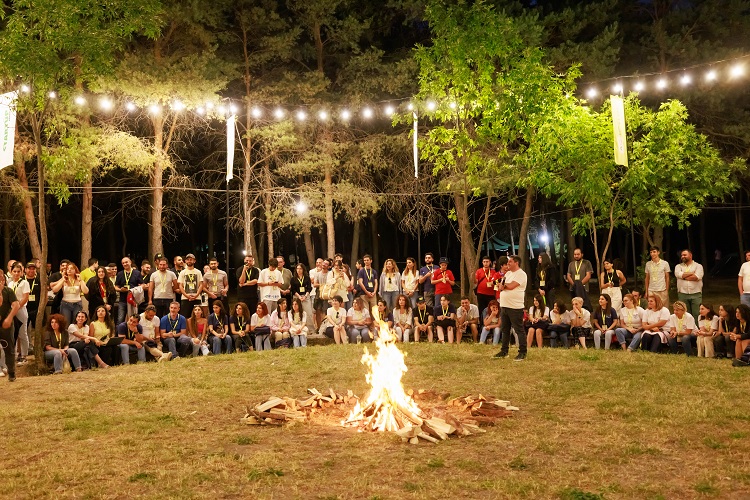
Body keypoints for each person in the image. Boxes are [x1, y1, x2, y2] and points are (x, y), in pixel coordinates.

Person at [494, 256, 528, 360]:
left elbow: (512, 286)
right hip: (504, 306)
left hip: (515, 307)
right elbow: (501, 284)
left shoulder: (521, 274)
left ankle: (522, 352)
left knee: (519, 330)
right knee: (505, 330)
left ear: (516, 263)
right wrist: (502, 285)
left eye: (510, 262)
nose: (508, 263)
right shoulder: (508, 273)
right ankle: (504, 351)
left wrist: (503, 285)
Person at [8, 263, 30, 366]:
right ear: (11, 272)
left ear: (21, 272)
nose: (16, 273)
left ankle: (24, 355)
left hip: (21, 309)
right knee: (13, 333)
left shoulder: (24, 283)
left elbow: (25, 297)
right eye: (14, 271)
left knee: (22, 333)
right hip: (11, 310)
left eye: (18, 271)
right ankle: (15, 354)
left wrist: (17, 307)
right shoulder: (10, 284)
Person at [0, 270, 20, 381]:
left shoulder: (8, 291)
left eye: (1, 278)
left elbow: (16, 305)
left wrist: (9, 318)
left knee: (8, 348)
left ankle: (11, 372)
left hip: (5, 324)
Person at [674, 249, 704, 320]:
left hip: (696, 293)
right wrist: (692, 273)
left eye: (685, 255)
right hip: (682, 293)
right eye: (682, 255)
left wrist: (683, 276)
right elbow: (678, 274)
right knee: (685, 314)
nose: (682, 256)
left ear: (690, 255)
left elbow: (697, 277)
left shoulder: (698, 266)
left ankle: (697, 327)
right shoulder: (678, 266)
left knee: (697, 313)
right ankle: (686, 327)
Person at [114, 257, 142, 324]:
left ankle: (133, 331)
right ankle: (119, 331)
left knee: (134, 319)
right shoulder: (120, 274)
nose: (125, 264)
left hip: (133, 300)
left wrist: (133, 290)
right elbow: (116, 287)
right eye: (123, 263)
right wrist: (120, 290)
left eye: (126, 262)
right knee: (120, 319)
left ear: (130, 262)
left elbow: (142, 285)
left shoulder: (137, 273)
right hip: (122, 300)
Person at [291, 263, 314, 333]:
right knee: (297, 312)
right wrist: (299, 297)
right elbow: (293, 289)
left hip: (306, 296)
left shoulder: (307, 278)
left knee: (309, 312)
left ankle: (311, 329)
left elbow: (309, 288)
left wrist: (305, 296)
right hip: (297, 296)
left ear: (303, 269)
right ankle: (298, 327)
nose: (299, 270)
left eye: (300, 269)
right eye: (297, 269)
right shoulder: (293, 279)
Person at [177, 254, 203, 318]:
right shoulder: (182, 272)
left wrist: (196, 295)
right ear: (185, 261)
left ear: (194, 261)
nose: (189, 261)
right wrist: (186, 295)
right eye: (188, 260)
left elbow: (201, 284)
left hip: (197, 297)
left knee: (197, 317)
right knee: (185, 317)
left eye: (191, 259)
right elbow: (180, 286)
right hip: (185, 298)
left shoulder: (198, 272)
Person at [475, 256, 500, 322]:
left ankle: (491, 322)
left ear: (490, 262)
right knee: (481, 309)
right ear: (482, 262)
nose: (486, 263)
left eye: (487, 262)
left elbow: (496, 281)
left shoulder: (493, 271)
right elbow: (476, 281)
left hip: (491, 294)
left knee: (490, 309)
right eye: (484, 262)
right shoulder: (479, 271)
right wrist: (473, 278)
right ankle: (482, 323)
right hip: (480, 293)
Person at [313, 258, 331, 329]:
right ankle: (318, 328)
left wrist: (322, 285)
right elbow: (315, 284)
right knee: (318, 310)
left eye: (326, 264)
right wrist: (323, 285)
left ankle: (324, 328)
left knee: (325, 310)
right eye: (324, 263)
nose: (324, 264)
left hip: (327, 293)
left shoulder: (330, 274)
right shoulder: (317, 274)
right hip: (319, 293)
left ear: (329, 266)